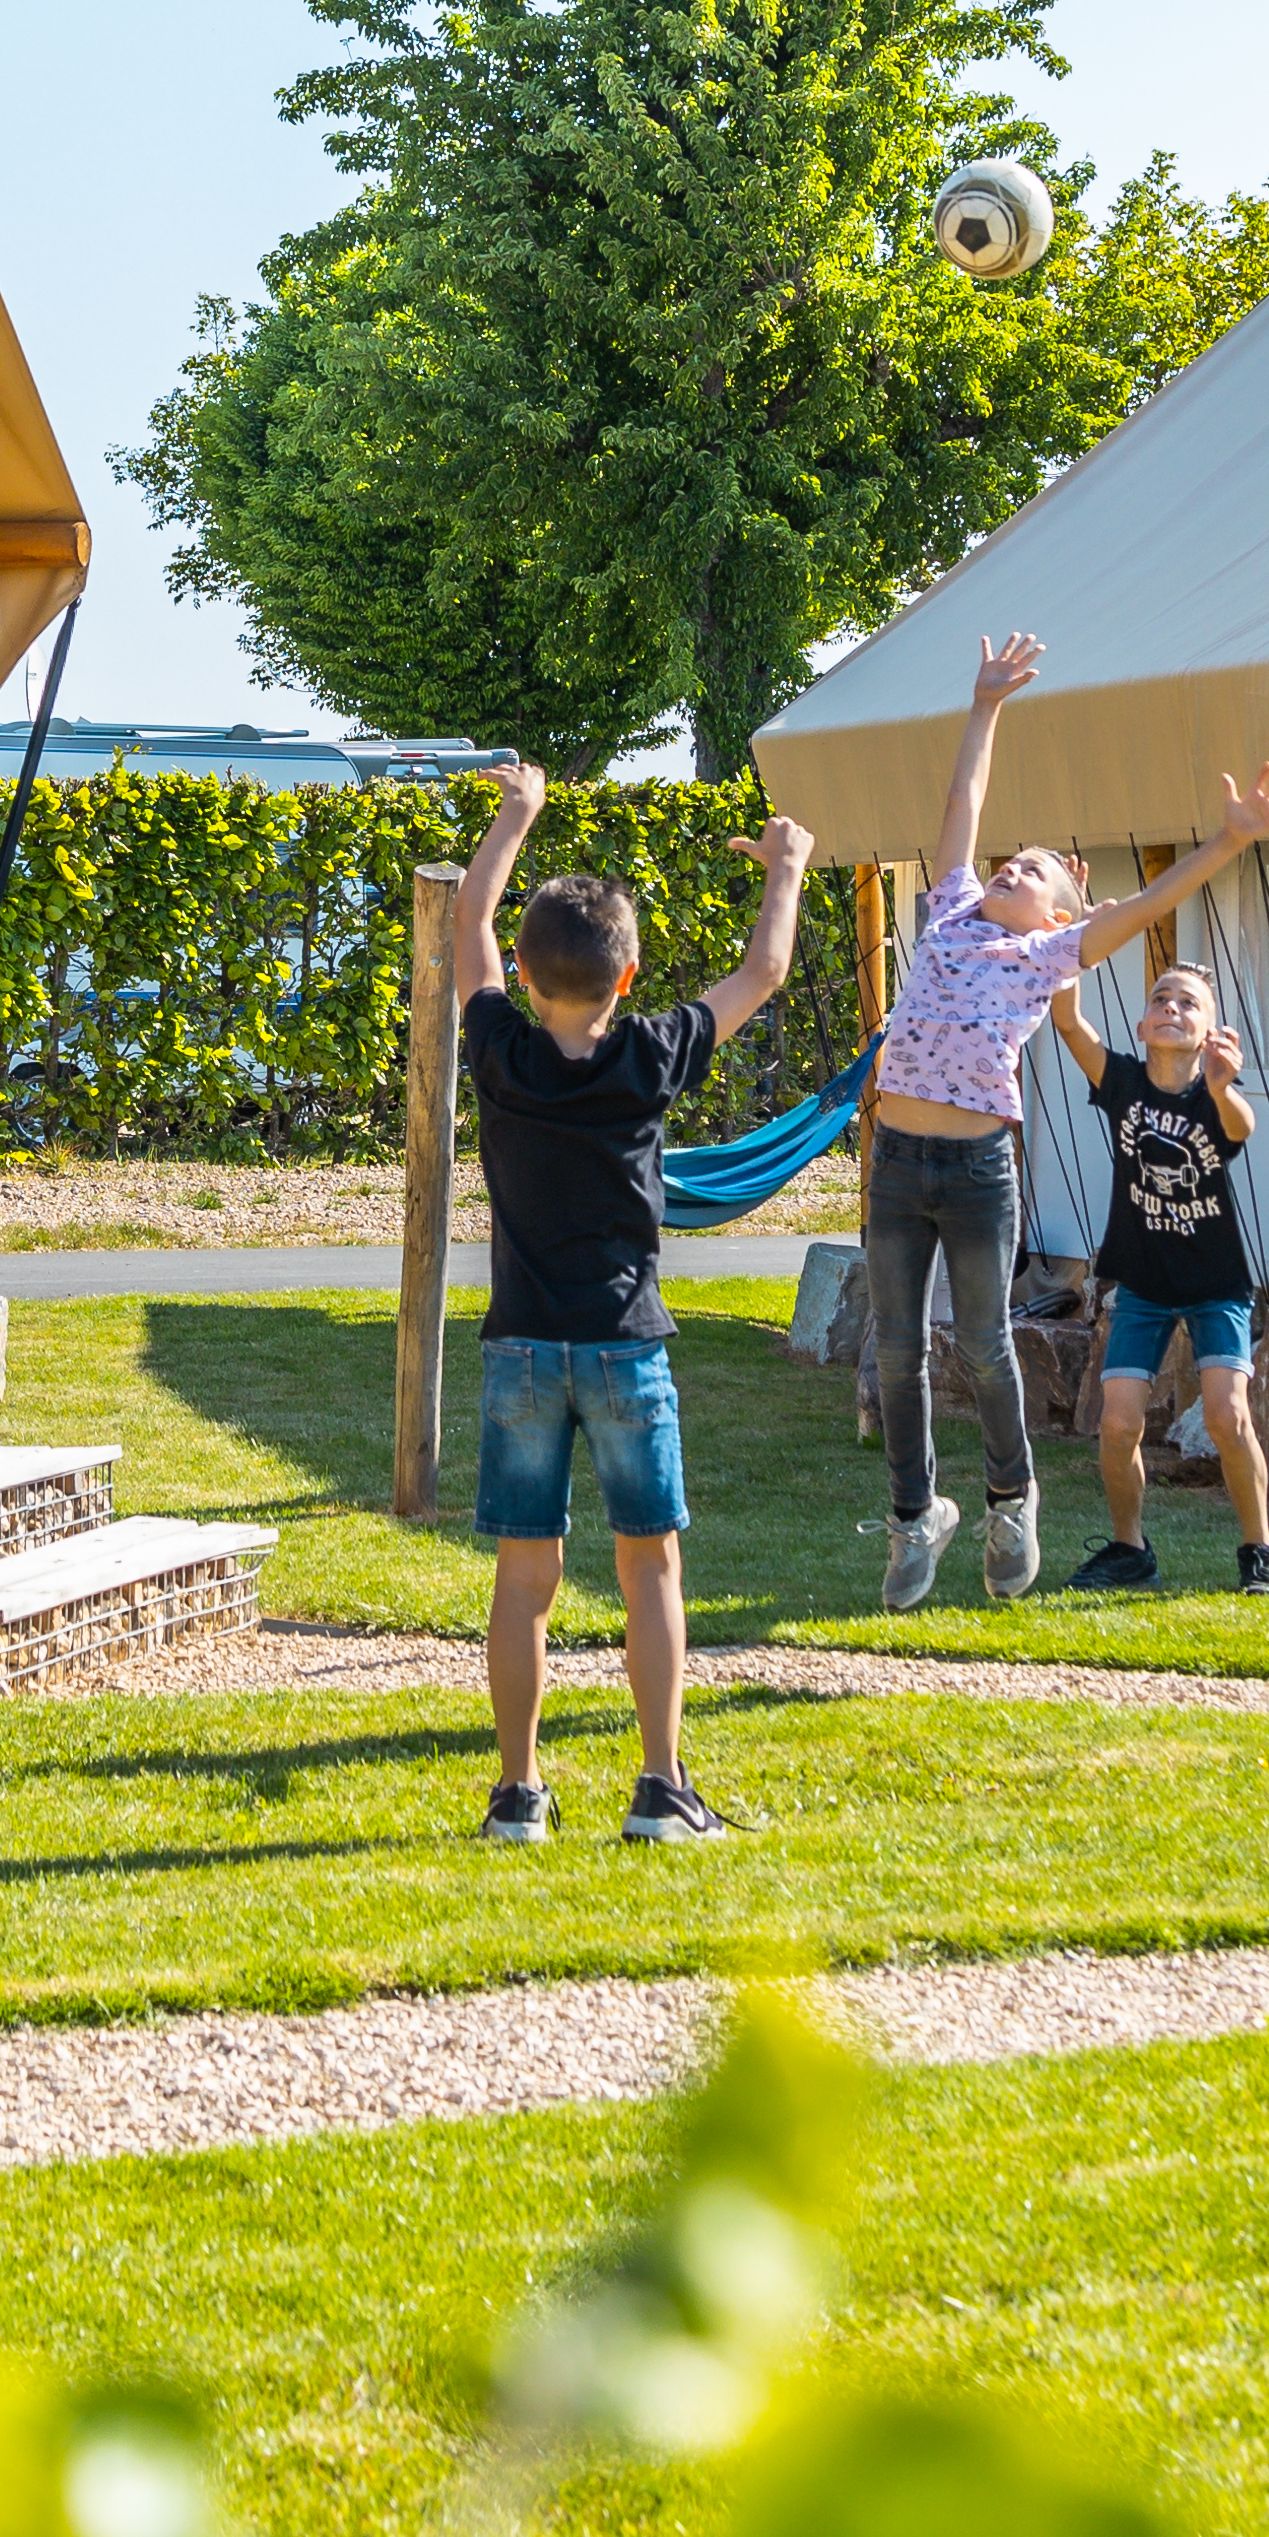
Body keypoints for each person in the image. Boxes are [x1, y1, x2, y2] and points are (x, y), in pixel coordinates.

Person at [856, 632, 1269, 1608]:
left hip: (975, 1174)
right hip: (897, 1161)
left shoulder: (1051, 958)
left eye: (1031, 872)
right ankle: (912, 1514)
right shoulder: (948, 911)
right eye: (1007, 863)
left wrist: (1228, 841)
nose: (1010, 868)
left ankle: (1010, 1501)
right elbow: (961, 804)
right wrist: (986, 705)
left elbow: (1143, 905)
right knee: (895, 1347)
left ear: (1060, 913)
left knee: (981, 1343)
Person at [444, 754, 812, 1845]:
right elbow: (766, 970)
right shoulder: (652, 1056)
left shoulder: (499, 1050)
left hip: (521, 1348)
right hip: (625, 1349)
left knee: (525, 1575)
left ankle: (518, 1795)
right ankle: (660, 1786)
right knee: (648, 1563)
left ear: (521, 964)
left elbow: (467, 916)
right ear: (631, 971)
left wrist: (520, 811)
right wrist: (784, 866)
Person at [1048, 958, 1269, 1592]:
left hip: (1215, 1285)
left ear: (1209, 1032)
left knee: (1227, 1417)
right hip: (1143, 1283)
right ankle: (1130, 1550)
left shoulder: (1215, 1096)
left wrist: (1225, 1084)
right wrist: (1071, 942)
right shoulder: (1121, 1081)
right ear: (1145, 1022)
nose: (1172, 1008)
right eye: (1161, 999)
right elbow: (1067, 1020)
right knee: (1119, 1422)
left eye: (1188, 1002)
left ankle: (1260, 1550)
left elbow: (1241, 1126)